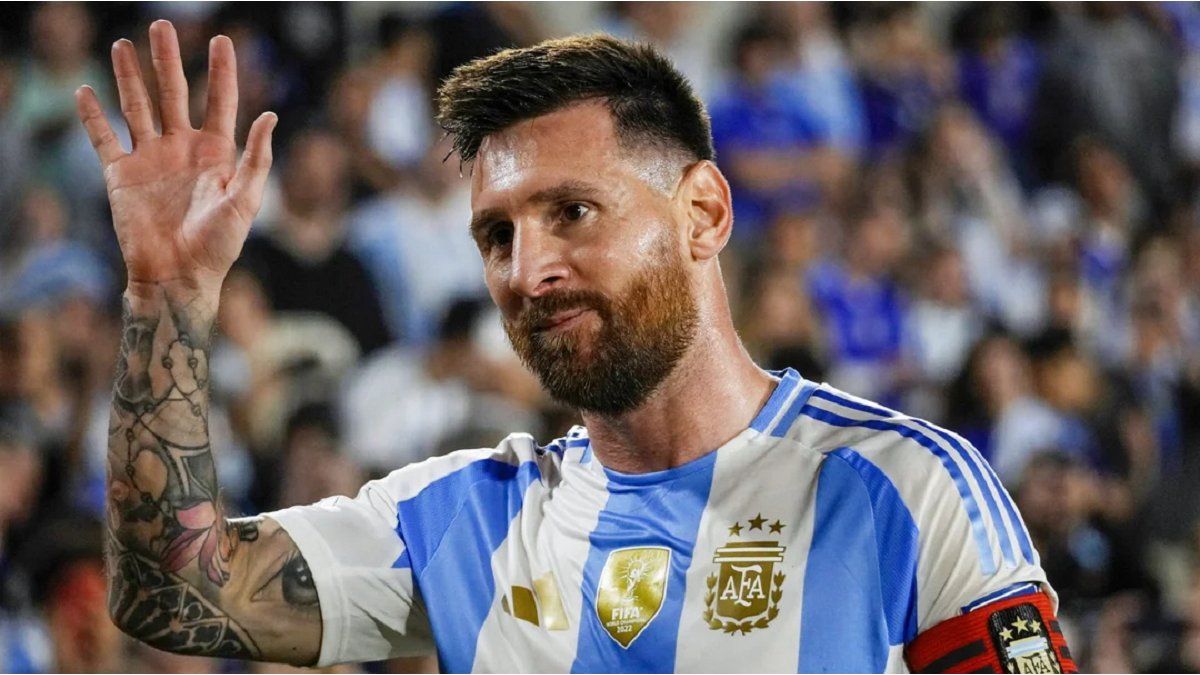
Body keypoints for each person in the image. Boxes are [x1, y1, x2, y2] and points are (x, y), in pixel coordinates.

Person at [76, 21, 1076, 673]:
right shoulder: (461, 522)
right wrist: (169, 296)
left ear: (703, 213)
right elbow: (174, 588)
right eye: (496, 235)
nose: (528, 269)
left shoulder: (904, 486)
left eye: (572, 212)